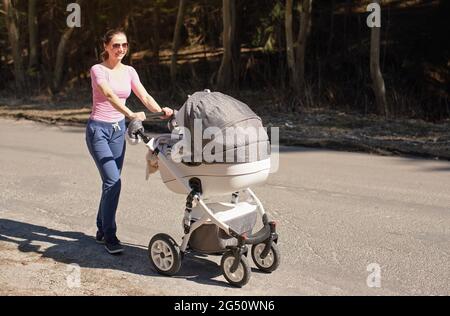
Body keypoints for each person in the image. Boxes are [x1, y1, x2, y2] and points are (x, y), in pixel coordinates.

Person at [85, 29, 173, 255]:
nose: (121, 49)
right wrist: (132, 115)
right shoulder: (98, 70)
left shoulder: (130, 71)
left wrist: (161, 111)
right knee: (113, 181)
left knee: (110, 183)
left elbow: (144, 96)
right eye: (115, 45)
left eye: (124, 45)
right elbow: (110, 96)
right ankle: (110, 235)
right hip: (99, 131)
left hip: (118, 132)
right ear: (106, 46)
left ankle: (101, 229)